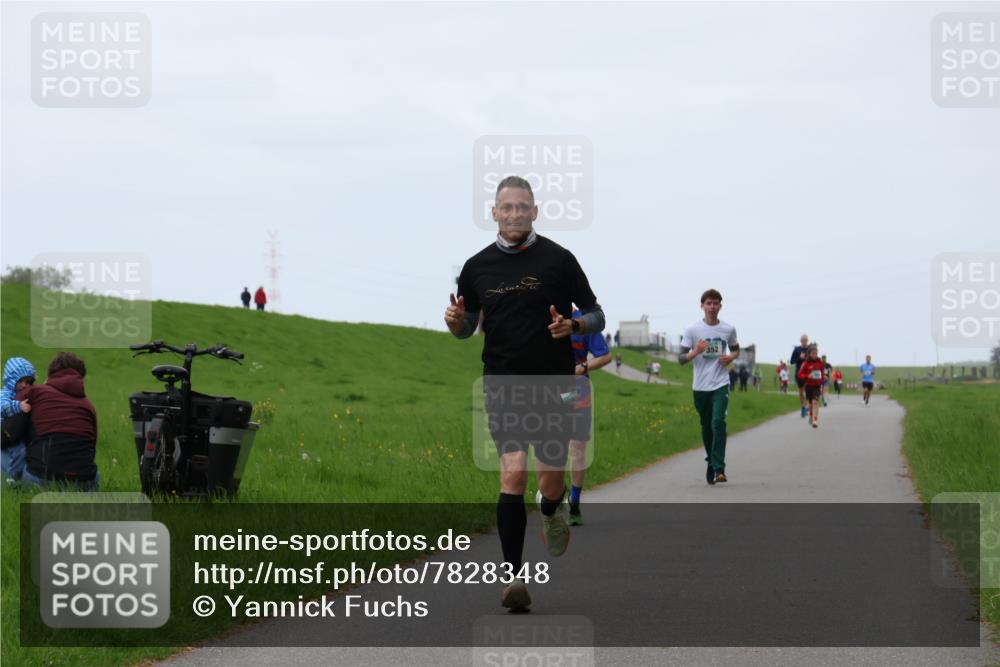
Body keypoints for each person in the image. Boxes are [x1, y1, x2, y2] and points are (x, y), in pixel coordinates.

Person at [445, 175, 604, 613]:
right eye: (506, 207)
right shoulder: (476, 268)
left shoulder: (559, 259)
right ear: (494, 213)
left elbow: (597, 315)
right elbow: (464, 329)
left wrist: (573, 326)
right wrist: (455, 321)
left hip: (553, 386)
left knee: (550, 483)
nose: (514, 213)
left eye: (523, 206)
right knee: (512, 473)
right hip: (502, 384)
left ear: (534, 211)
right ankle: (512, 578)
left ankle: (551, 511)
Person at [679, 289, 740, 485]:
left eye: (715, 303)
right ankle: (711, 462)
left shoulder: (728, 329)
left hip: (721, 383)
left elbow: (736, 349)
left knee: (717, 422)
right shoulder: (692, 330)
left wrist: (730, 357)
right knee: (706, 427)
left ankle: (719, 468)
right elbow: (680, 358)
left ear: (720, 306)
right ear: (702, 306)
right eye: (709, 303)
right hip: (700, 386)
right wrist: (695, 351)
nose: (712, 307)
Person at [20, 352, 100, 491]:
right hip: (83, 483)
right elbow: (92, 447)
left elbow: (10, 423)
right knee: (95, 473)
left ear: (51, 374)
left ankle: (8, 487)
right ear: (80, 378)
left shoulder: (35, 392)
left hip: (41, 479)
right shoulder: (89, 406)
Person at [567, 308, 612, 526]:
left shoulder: (582, 320)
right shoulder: (537, 315)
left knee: (576, 446)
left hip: (576, 388)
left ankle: (574, 502)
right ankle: (552, 493)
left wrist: (580, 368)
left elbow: (605, 355)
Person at [1, 357, 36, 484]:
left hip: (14, 430)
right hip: (4, 431)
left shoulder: (21, 394)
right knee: (19, 450)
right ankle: (12, 479)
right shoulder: (5, 393)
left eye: (29, 382)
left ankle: (16, 476)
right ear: (11, 379)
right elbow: (3, 407)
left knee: (22, 450)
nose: (25, 385)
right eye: (21, 381)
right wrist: (18, 406)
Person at [797, 345, 826, 428]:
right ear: (809, 354)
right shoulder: (805, 363)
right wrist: (807, 376)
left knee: (815, 402)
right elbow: (800, 374)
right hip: (808, 386)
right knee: (810, 404)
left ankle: (815, 420)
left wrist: (822, 378)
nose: (815, 355)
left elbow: (822, 373)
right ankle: (810, 415)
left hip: (817, 386)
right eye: (813, 353)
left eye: (816, 353)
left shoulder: (820, 362)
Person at [789, 334, 810, 418]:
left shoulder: (810, 349)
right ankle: (803, 407)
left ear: (807, 340)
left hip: (808, 373)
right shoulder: (797, 349)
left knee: (808, 390)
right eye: (803, 340)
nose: (804, 342)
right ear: (800, 341)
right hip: (799, 373)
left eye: (806, 340)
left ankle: (807, 406)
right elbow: (791, 361)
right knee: (801, 391)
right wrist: (799, 358)